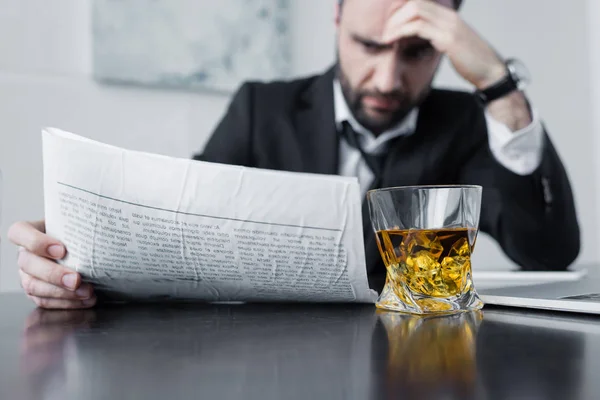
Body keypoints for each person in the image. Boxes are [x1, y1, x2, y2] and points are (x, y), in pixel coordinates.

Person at [8, 0, 580, 309]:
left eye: (417, 52)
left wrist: (502, 93)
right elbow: (179, 238)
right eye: (368, 45)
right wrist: (76, 264)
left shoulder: (468, 123)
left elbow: (549, 253)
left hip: (421, 365)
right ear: (335, 19)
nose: (387, 77)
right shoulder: (261, 108)